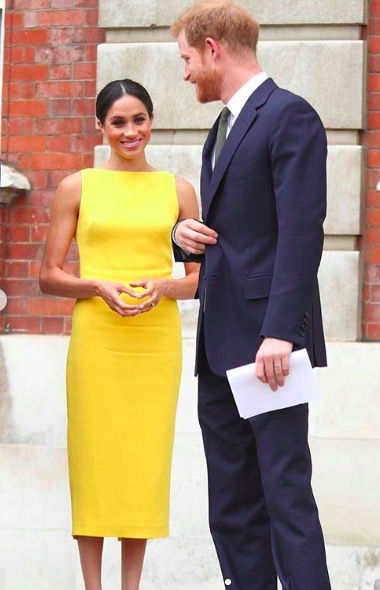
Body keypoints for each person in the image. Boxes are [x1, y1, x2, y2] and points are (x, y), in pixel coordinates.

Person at [170, 2, 332, 589]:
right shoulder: (221, 129)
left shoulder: (289, 115)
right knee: (231, 509)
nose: (184, 73)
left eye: (186, 58)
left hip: (269, 348)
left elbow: (300, 230)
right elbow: (235, 234)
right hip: (218, 348)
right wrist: (182, 237)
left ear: (213, 48)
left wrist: (281, 334)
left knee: (285, 498)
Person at [39, 79, 200, 590]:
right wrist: (95, 284)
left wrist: (164, 286)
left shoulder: (178, 190)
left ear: (151, 121)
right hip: (97, 342)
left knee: (141, 464)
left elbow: (200, 278)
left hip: (154, 344)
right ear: (101, 127)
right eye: (118, 122)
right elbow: (48, 274)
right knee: (94, 463)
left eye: (139, 120)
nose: (130, 131)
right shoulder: (77, 186)